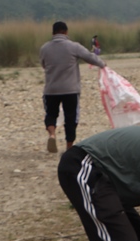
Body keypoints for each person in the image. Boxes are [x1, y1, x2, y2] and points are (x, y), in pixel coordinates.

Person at [40, 21, 106, 153]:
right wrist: (103, 64)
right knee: (71, 117)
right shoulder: (74, 46)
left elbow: (43, 65)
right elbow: (90, 57)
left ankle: (52, 134)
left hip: (51, 89)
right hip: (70, 89)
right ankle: (69, 146)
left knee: (51, 114)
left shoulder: (45, 48)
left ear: (53, 33)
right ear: (66, 32)